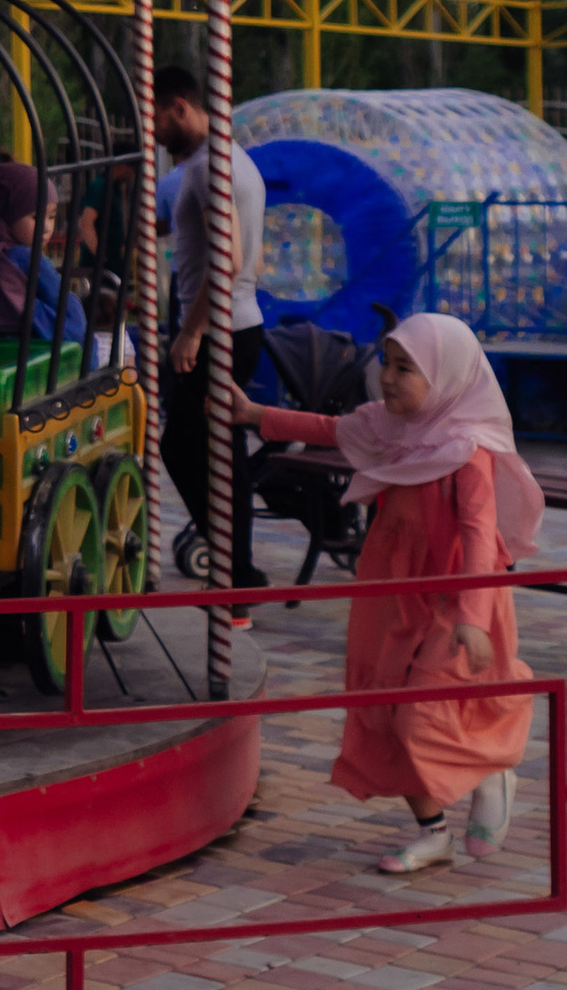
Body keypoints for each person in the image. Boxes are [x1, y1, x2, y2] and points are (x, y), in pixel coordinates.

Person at [224, 315, 539, 875]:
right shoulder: (395, 427)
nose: (387, 378)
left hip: (457, 597)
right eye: (387, 364)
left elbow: (477, 537)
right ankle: (433, 831)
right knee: (385, 708)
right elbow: (332, 427)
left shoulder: (467, 450)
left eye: (405, 368)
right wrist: (254, 415)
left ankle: (493, 768)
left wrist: (471, 616)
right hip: (393, 587)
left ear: (445, 378)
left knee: (423, 715)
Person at [157, 69, 267, 586]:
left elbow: (228, 258)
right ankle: (236, 569)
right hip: (238, 323)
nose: (154, 134)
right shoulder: (235, 160)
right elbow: (253, 261)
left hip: (220, 332)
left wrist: (192, 331)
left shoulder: (208, 169)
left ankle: (235, 570)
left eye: (156, 119)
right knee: (219, 454)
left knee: (187, 448)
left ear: (180, 107)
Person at [0, 159, 89, 349]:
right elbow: (65, 307)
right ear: (5, 215)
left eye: (52, 217)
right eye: (35, 217)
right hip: (38, 350)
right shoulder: (26, 258)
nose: (47, 227)